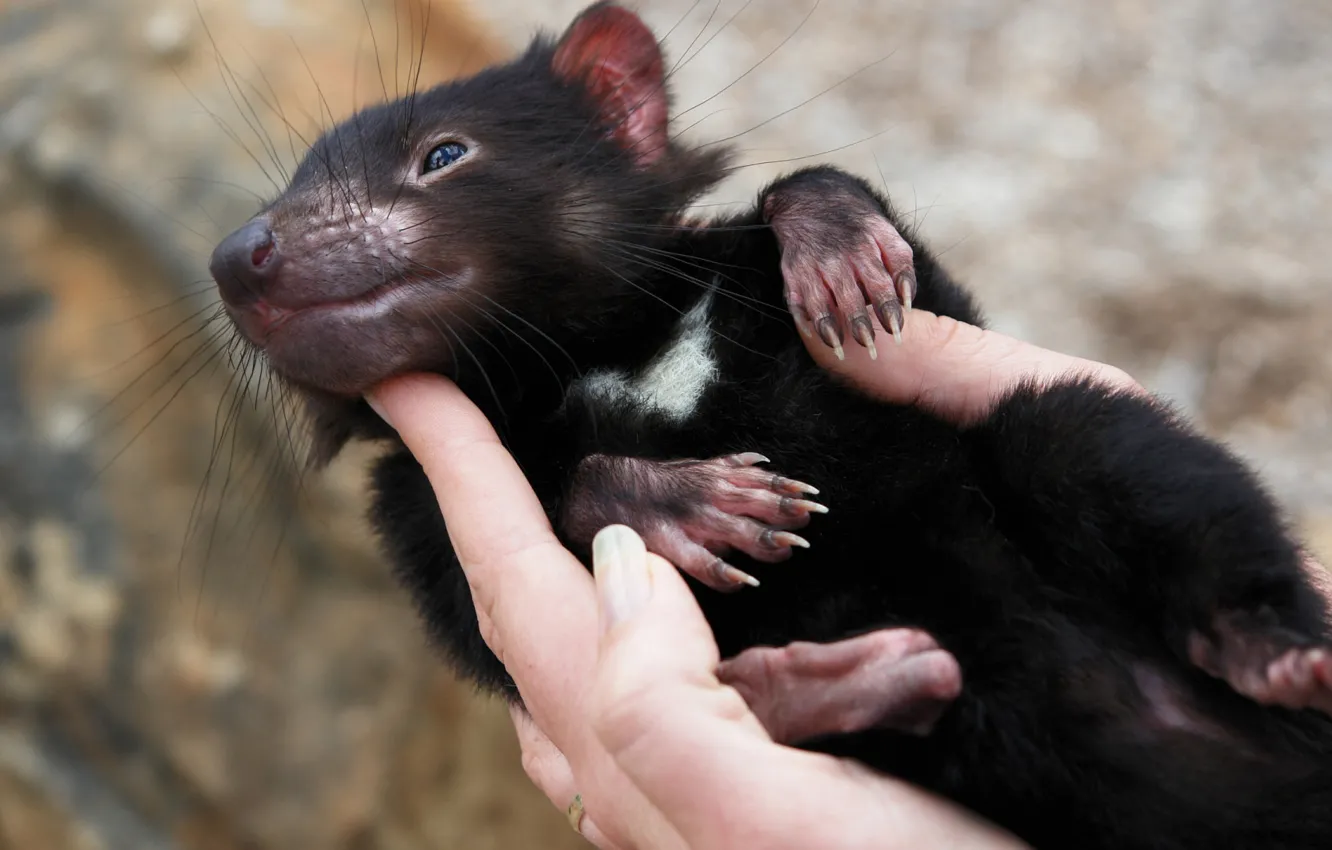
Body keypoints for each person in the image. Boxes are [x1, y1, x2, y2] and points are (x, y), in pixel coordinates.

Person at [365, 310, 1326, 849]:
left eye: (440, 157)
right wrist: (589, 500)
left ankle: (1248, 615)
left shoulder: (746, 255)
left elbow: (905, 320)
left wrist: (824, 211)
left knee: (1066, 430)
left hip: (1089, 572)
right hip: (983, 711)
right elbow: (496, 637)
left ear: (622, 109)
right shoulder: (423, 487)